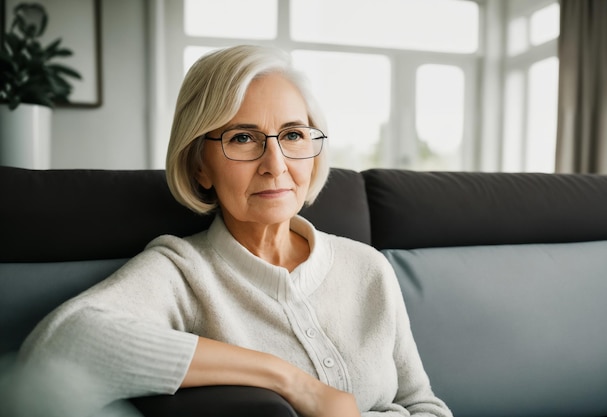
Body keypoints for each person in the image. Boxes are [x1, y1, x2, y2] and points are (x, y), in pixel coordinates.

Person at [16, 45, 453, 417]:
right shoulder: (183, 272)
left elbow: (424, 405)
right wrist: (291, 381)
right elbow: (59, 350)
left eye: (294, 134)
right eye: (243, 138)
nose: (275, 164)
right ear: (200, 166)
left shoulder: (368, 266)